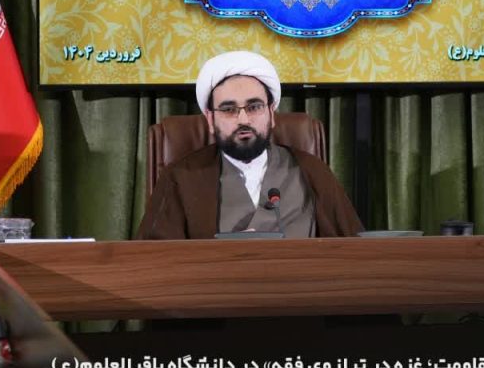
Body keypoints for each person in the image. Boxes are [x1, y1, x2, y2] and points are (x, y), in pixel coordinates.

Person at [137, 51, 363, 239]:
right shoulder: (180, 178)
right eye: (229, 109)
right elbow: (155, 262)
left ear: (271, 113)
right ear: (210, 119)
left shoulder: (312, 171)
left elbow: (355, 253)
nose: (243, 119)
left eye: (254, 107)